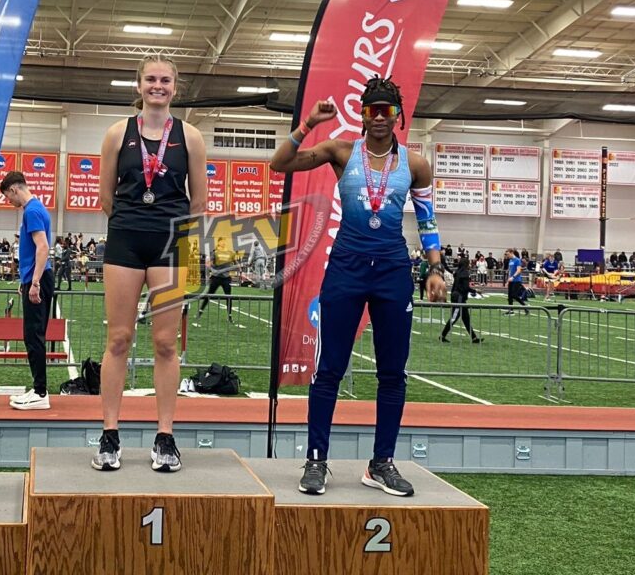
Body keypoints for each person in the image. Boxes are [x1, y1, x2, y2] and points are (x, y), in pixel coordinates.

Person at [270, 75, 447, 497]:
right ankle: (316, 460)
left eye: (388, 110)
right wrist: (308, 123)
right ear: (362, 114)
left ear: (399, 116)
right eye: (373, 110)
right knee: (328, 368)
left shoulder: (415, 164)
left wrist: (436, 269)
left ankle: (381, 463)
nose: (380, 118)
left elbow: (427, 220)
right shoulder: (341, 151)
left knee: (392, 373)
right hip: (346, 268)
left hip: (391, 271)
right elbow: (279, 164)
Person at [94, 54, 207, 473]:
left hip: (173, 244)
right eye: (150, 80)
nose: (157, 86)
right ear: (138, 85)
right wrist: (132, 222)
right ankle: (109, 433)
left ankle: (165, 435)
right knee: (119, 338)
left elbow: (199, 201)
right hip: (125, 240)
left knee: (165, 343)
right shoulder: (116, 134)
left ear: (175, 88)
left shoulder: (190, 136)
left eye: (165, 81)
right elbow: (106, 196)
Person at [0, 172, 55, 411]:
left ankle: (41, 392)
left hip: (39, 279)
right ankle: (39, 389)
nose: (9, 202)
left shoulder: (31, 211)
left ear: (14, 189)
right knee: (35, 334)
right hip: (38, 277)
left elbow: (43, 247)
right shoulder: (37, 208)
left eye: (7, 197)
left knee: (33, 336)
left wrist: (33, 282)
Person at [441, 254, 481, 343]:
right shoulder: (465, 274)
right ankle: (442, 335)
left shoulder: (458, 272)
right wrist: (475, 291)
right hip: (459, 298)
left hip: (456, 296)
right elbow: (466, 288)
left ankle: (474, 338)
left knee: (466, 318)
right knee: (454, 318)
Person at [195, 237, 235, 323]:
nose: (224, 243)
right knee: (209, 295)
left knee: (229, 297)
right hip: (216, 277)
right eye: (222, 241)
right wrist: (213, 270)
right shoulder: (215, 253)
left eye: (225, 241)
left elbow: (235, 263)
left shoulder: (230, 253)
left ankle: (230, 316)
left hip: (226, 278)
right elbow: (208, 264)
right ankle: (200, 312)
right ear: (218, 243)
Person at [503, 249, 529, 315]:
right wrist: (508, 280)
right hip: (511, 280)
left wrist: (513, 277)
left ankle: (524, 306)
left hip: (516, 280)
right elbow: (510, 271)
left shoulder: (517, 260)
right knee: (509, 296)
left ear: (512, 253)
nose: (507, 256)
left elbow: (518, 270)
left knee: (514, 295)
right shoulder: (510, 260)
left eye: (508, 254)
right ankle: (510, 310)